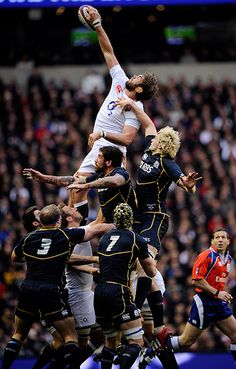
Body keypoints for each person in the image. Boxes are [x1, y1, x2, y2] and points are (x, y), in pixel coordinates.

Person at [56, 5, 158, 224]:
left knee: (78, 188)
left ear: (139, 89)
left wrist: (102, 133)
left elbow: (128, 139)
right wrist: (98, 26)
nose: (136, 76)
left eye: (140, 78)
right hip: (100, 148)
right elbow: (108, 52)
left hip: (110, 152)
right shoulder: (120, 81)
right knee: (76, 189)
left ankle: (83, 228)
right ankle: (84, 226)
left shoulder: (134, 109)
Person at [1, 204, 113, 369]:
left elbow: (14, 257)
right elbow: (94, 230)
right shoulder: (64, 235)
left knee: (18, 334)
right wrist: (117, 225)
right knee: (70, 337)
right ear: (59, 220)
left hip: (28, 290)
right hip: (51, 291)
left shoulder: (28, 238)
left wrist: (37, 257)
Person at [94, 203, 156, 369]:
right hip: (117, 291)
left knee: (111, 341)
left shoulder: (103, 239)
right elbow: (150, 272)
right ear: (131, 220)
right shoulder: (136, 238)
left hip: (99, 292)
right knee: (136, 341)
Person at [169, 228, 236, 365]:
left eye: (223, 237)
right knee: (186, 341)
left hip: (218, 303)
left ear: (228, 241)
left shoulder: (228, 259)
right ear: (212, 241)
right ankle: (153, 348)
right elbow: (197, 280)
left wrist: (221, 293)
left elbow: (217, 281)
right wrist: (217, 293)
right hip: (204, 302)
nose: (221, 240)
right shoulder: (206, 255)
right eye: (217, 237)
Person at [24, 146, 138, 225]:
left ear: (108, 162)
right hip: (113, 226)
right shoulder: (99, 175)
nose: (95, 160)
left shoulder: (121, 173)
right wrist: (44, 178)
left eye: (99, 157)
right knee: (88, 231)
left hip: (130, 224)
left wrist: (87, 185)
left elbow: (115, 181)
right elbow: (72, 180)